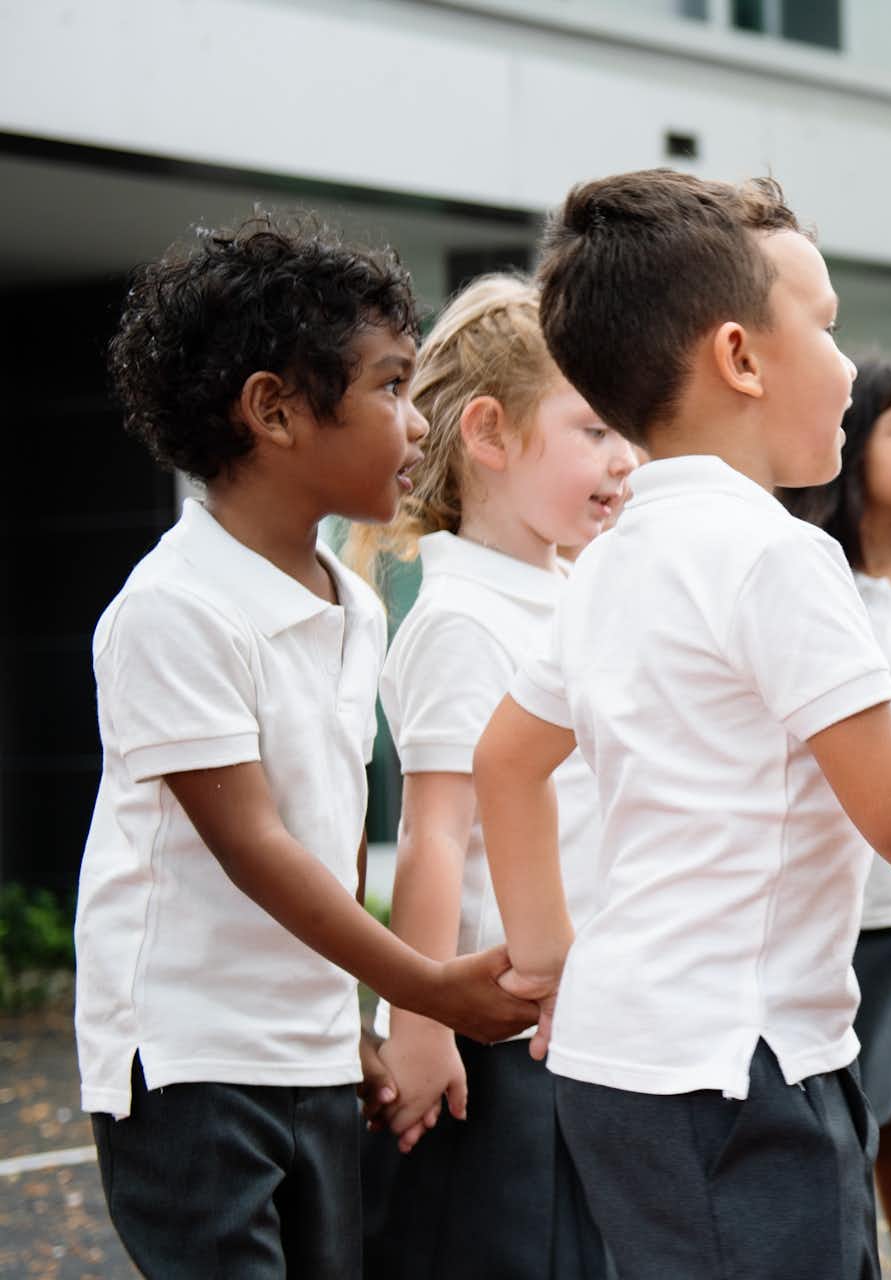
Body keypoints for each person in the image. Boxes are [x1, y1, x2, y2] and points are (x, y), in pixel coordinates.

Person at [472, 170, 891, 1280]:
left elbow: (505, 761)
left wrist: (549, 960)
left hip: (622, 1053)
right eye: (825, 328)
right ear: (740, 357)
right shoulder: (777, 555)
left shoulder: (612, 556)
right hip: (734, 1065)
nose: (844, 362)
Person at [80, 212, 536, 1276]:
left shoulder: (353, 604)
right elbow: (259, 849)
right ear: (274, 411)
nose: (415, 422)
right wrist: (426, 985)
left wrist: (354, 1026)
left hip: (313, 1055)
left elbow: (328, 852)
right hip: (192, 1062)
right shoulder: (175, 609)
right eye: (387, 385)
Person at [340, 273, 637, 1277]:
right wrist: (419, 1028)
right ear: (490, 432)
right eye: (593, 427)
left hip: (580, 1022)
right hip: (495, 1037)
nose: (623, 457)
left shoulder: (569, 590)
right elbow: (432, 835)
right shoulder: (464, 618)